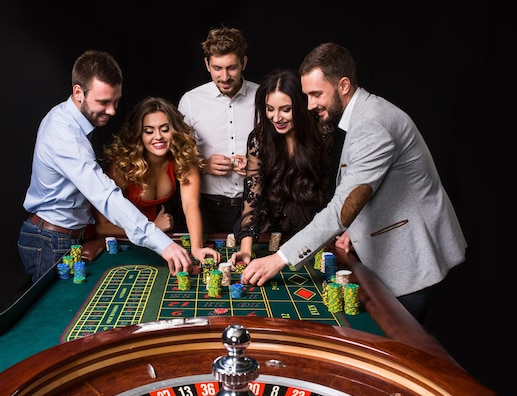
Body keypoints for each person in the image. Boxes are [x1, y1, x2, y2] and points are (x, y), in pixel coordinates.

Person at [238, 42, 467, 323]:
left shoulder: (372, 125)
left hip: (411, 261)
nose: (309, 105)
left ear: (343, 85)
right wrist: (354, 230)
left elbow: (343, 207)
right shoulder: (361, 116)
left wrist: (280, 258)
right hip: (392, 252)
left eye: (316, 94)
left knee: (394, 356)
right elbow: (370, 188)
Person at [18, 50, 192, 283]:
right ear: (78, 92)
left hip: (63, 237)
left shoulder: (69, 119)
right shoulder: (64, 135)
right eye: (103, 102)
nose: (111, 111)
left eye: (116, 101)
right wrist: (163, 244)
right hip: (50, 241)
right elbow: (106, 196)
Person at [93, 97, 221, 264]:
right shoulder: (123, 165)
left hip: (151, 238)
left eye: (165, 129)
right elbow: (101, 226)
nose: (158, 137)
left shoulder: (182, 159)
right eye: (149, 131)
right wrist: (152, 229)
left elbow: (190, 204)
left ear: (174, 130)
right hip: (117, 239)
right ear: (140, 133)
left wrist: (196, 248)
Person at [228, 69, 337, 265]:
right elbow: (253, 196)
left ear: (302, 106)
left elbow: (329, 192)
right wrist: (245, 250)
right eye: (270, 109)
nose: (276, 117)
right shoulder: (259, 138)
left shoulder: (323, 134)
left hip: (310, 230)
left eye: (285, 109)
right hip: (267, 229)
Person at [178, 26, 259, 234]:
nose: (224, 77)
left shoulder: (263, 97)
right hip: (209, 209)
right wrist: (202, 164)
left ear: (244, 63)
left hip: (258, 205)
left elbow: (283, 149)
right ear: (207, 64)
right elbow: (177, 158)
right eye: (217, 68)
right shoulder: (190, 101)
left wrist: (258, 165)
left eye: (231, 67)